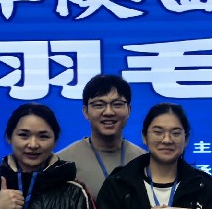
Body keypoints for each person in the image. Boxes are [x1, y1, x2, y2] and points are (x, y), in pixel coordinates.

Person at [55, 73, 145, 202]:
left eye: (117, 104)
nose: (108, 112)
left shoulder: (144, 160)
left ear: (129, 110)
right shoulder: (63, 162)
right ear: (85, 111)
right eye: (99, 105)